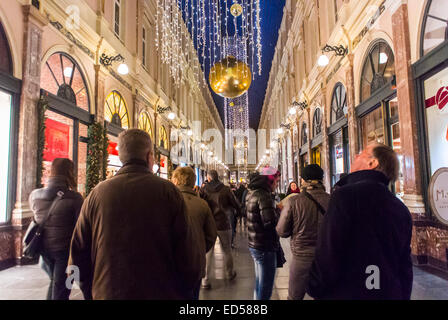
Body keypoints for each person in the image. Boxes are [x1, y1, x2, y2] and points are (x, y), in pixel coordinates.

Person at [69, 129, 201, 300]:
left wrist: (91, 290)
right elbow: (187, 251)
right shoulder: (169, 192)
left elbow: (78, 251)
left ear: (122, 156)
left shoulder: (97, 194)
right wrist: (184, 290)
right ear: (149, 156)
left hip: (108, 292)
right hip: (161, 292)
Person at [307, 144, 413, 300]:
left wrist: (314, 286)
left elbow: (328, 252)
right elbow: (404, 266)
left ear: (372, 163)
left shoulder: (345, 196)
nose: (356, 156)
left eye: (361, 153)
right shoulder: (400, 208)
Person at [29, 158, 84, 300]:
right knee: (63, 288)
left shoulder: (35, 195)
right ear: (69, 173)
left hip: (43, 249)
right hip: (65, 251)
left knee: (56, 284)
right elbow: (80, 226)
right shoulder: (75, 198)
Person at [276, 164, 330, 300]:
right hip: (326, 256)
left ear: (303, 180)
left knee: (295, 296)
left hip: (301, 258)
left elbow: (282, 231)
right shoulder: (333, 200)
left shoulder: (294, 201)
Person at [172, 167, 217, 300]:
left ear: (175, 181)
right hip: (195, 263)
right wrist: (199, 249)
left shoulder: (167, 202)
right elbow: (211, 235)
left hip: (173, 263)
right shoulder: (202, 204)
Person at [246, 167, 281, 300]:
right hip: (264, 245)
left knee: (259, 282)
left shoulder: (253, 193)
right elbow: (270, 223)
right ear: (269, 181)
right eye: (276, 182)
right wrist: (278, 211)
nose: (277, 185)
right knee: (266, 286)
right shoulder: (264, 196)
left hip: (255, 243)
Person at [201, 170, 239, 289]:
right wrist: (237, 212)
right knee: (227, 249)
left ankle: (205, 280)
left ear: (209, 177)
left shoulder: (204, 189)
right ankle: (229, 273)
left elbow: (200, 203)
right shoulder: (226, 189)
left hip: (209, 224)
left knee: (208, 251)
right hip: (223, 223)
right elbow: (235, 203)